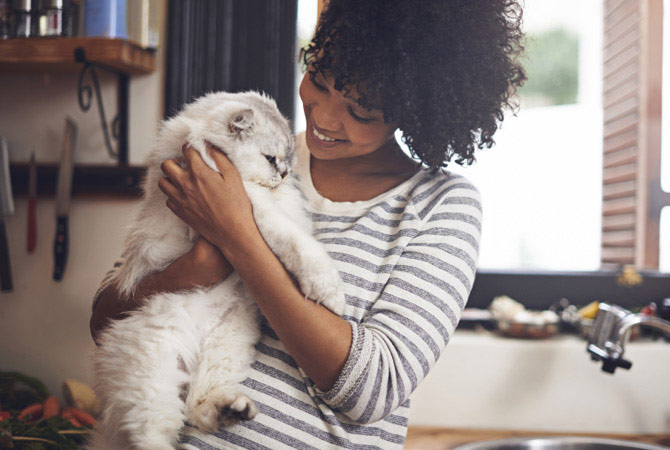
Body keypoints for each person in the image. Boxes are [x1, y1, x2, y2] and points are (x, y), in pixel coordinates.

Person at [89, 0, 525, 448]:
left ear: (415, 112)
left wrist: (238, 238)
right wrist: (197, 268)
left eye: (362, 111)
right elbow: (105, 317)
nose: (324, 117)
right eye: (318, 78)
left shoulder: (441, 206)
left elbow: (372, 391)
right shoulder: (247, 151)